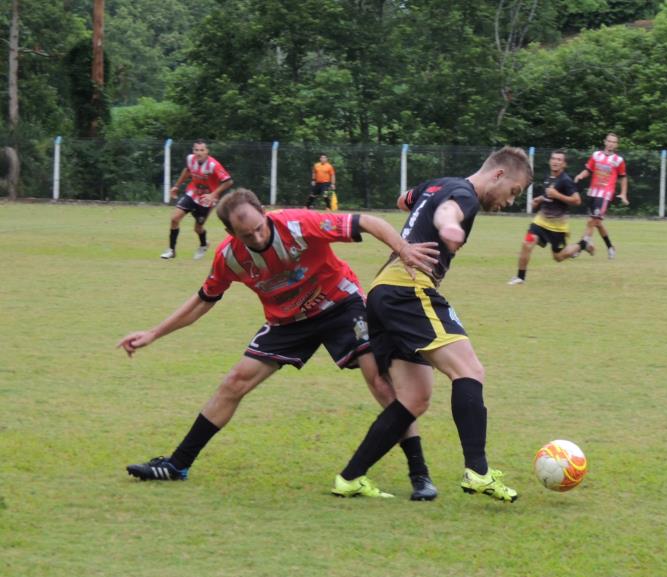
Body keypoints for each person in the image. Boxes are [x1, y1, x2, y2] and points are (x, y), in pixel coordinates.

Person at [121, 188, 442, 501]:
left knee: (380, 383)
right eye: (247, 235)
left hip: (341, 305)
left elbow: (367, 222)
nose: (258, 238)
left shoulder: (297, 224)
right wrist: (153, 333)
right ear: (230, 232)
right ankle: (178, 464)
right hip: (288, 322)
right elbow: (203, 301)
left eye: (260, 228)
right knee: (234, 382)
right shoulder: (230, 257)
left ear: (265, 213)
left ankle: (420, 474)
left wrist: (403, 249)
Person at [331, 146, 532, 502]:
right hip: (408, 289)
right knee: (469, 370)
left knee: (414, 398)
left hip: (382, 292)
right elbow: (448, 210)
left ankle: (350, 477)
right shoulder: (464, 195)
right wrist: (449, 225)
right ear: (498, 174)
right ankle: (478, 472)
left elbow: (404, 199)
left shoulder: (441, 183)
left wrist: (423, 211)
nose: (510, 200)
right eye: (514, 191)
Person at [507, 149, 594, 285]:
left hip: (557, 227)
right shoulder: (549, 178)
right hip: (540, 222)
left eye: (559, 160)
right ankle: (520, 277)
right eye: (554, 158)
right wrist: (539, 199)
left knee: (558, 257)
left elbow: (577, 200)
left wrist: (557, 195)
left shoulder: (566, 181)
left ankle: (583, 244)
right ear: (550, 161)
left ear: (564, 164)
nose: (556, 161)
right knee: (527, 242)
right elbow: (549, 196)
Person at [161, 139, 234, 260]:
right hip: (192, 194)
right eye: (196, 150)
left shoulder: (213, 165)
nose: (199, 153)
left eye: (202, 150)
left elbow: (228, 181)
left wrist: (212, 195)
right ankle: (171, 250)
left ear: (207, 151)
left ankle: (203, 245)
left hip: (206, 200)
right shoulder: (190, 159)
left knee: (198, 228)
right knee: (174, 219)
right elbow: (187, 171)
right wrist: (176, 186)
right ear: (193, 151)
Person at [574, 132, 629, 259]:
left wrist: (623, 193)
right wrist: (580, 175)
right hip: (593, 193)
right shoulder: (596, 155)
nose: (611, 144)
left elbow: (623, 177)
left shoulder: (618, 160)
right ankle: (610, 247)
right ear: (605, 142)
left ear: (617, 145)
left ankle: (580, 246)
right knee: (597, 223)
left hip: (605, 195)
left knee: (591, 221)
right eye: (609, 141)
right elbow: (588, 170)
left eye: (614, 142)